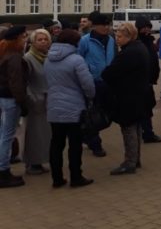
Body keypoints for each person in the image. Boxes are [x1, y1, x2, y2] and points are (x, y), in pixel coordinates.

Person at [44, 29, 95, 188]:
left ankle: (57, 178)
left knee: (56, 144)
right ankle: (76, 177)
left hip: (54, 106)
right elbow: (88, 85)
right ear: (74, 43)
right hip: (75, 108)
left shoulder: (48, 59)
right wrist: (90, 97)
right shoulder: (76, 60)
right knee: (75, 144)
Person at [102, 23, 152, 175]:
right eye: (116, 36)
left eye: (120, 36)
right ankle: (135, 159)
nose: (117, 39)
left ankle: (130, 162)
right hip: (139, 94)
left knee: (129, 128)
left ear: (129, 36)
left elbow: (109, 73)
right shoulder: (140, 48)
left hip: (129, 96)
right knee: (135, 127)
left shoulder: (129, 53)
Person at [78, 11, 115, 157]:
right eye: (103, 25)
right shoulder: (85, 40)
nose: (106, 27)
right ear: (95, 26)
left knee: (106, 115)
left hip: (107, 82)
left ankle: (86, 134)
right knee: (93, 114)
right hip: (92, 82)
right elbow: (79, 59)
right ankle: (95, 144)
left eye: (108, 24)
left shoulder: (111, 39)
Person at [0, 26, 29, 188]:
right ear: (16, 40)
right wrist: (22, 102)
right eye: (23, 37)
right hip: (11, 100)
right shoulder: (14, 58)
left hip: (4, 98)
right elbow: (16, 84)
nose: (25, 40)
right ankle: (3, 171)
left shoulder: (4, 54)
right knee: (7, 136)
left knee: (3, 134)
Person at [22, 29, 52, 175]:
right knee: (34, 134)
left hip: (48, 100)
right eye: (39, 39)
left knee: (44, 134)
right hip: (35, 101)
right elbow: (25, 82)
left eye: (45, 39)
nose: (43, 42)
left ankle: (39, 161)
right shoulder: (28, 58)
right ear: (33, 42)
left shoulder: (48, 57)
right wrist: (32, 99)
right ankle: (32, 163)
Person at [134, 17, 161, 144]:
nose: (147, 29)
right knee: (144, 108)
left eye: (148, 27)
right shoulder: (137, 43)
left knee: (148, 107)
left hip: (149, 80)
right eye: (144, 27)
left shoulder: (149, 41)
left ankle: (146, 132)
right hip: (141, 81)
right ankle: (147, 133)